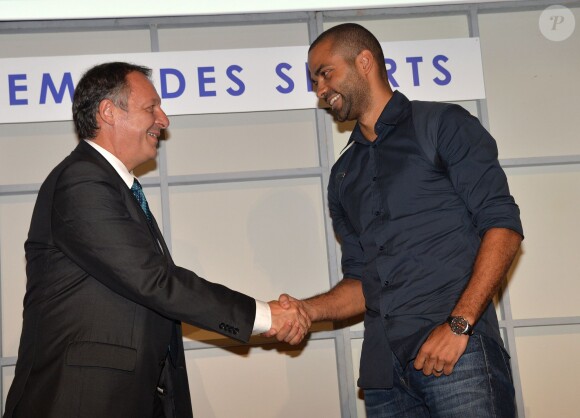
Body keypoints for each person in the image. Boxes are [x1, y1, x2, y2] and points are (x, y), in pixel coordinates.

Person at [4, 62, 309, 418]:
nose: (163, 120)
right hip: (81, 399)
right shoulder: (82, 181)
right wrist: (266, 316)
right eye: (151, 108)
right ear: (108, 112)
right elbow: (153, 280)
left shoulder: (113, 186)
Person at [275, 23, 523, 417]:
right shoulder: (343, 176)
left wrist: (459, 326)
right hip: (383, 377)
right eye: (314, 80)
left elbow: (503, 228)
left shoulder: (443, 125)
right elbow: (361, 283)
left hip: (458, 358)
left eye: (325, 73)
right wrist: (306, 310)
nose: (319, 91)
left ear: (364, 61)